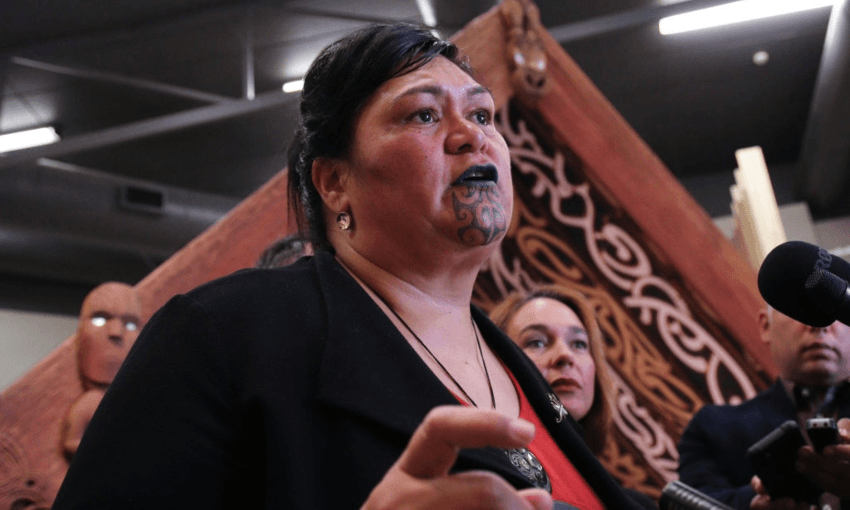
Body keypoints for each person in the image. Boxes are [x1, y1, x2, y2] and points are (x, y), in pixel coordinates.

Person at [52, 23, 644, 510]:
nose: (472, 137)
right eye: (424, 116)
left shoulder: (519, 370)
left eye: (484, 116)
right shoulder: (223, 334)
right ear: (335, 182)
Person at [490, 285, 658, 509]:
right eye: (537, 342)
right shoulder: (484, 470)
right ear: (496, 364)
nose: (565, 355)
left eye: (579, 344)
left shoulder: (639, 505)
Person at [677, 305, 850, 509]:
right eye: (800, 307)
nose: (820, 324)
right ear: (766, 325)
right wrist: (756, 500)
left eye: (837, 309)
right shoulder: (710, 428)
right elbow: (691, 503)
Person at [60, 282, 142, 458]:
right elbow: (71, 442)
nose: (116, 333)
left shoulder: (133, 402)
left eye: (130, 324)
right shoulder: (90, 403)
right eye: (100, 319)